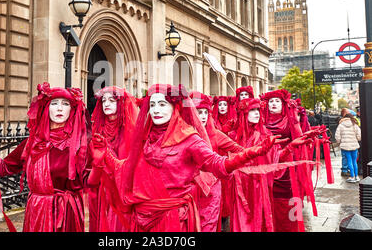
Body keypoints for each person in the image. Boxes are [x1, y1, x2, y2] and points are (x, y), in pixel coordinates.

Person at [90, 84, 307, 232]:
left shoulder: (190, 139)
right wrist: (106, 155)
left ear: (175, 107)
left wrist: (255, 151)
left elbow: (219, 165)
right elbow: (126, 169)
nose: (156, 109)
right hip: (143, 219)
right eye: (153, 104)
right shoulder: (145, 138)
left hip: (173, 220)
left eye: (163, 104)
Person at [0, 83, 97, 232]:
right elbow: (4, 168)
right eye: (54, 103)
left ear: (72, 110)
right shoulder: (32, 142)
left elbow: (90, 181)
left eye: (65, 104)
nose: (59, 108)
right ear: (46, 108)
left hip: (66, 214)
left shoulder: (81, 144)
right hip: (37, 213)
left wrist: (100, 163)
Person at [227, 98, 312, 232]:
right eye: (252, 110)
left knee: (260, 222)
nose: (256, 113)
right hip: (240, 188)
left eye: (258, 110)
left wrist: (290, 147)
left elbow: (275, 160)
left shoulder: (265, 134)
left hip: (259, 187)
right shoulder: (233, 136)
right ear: (243, 113)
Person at [260, 89, 317, 232]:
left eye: (277, 101)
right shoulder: (261, 119)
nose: (273, 104)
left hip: (287, 165)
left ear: (283, 103)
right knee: (267, 197)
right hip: (268, 163)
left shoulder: (290, 118)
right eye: (271, 101)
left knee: (288, 197)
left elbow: (299, 138)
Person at [190, 91, 245, 232]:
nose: (201, 116)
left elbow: (240, 150)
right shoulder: (181, 134)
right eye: (197, 112)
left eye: (204, 112)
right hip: (189, 192)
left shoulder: (216, 134)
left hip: (211, 192)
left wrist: (262, 149)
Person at [87, 86, 139, 232]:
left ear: (121, 103)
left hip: (122, 189)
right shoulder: (99, 128)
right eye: (104, 100)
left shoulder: (130, 128)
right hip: (101, 189)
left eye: (112, 100)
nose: (106, 104)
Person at [335, 113, 361, 183]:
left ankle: (352, 177)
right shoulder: (354, 125)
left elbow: (337, 136)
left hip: (345, 146)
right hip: (354, 145)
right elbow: (359, 136)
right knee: (354, 161)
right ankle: (356, 176)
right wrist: (356, 139)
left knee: (349, 161)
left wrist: (340, 141)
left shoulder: (340, 125)